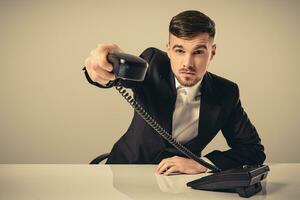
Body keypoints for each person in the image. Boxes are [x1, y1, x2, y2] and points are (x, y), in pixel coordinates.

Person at [83, 10, 266, 176]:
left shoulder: (226, 92)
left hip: (179, 182)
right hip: (126, 170)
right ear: (169, 50)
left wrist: (202, 164)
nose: (187, 63)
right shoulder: (152, 63)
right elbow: (114, 78)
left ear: (212, 53)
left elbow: (252, 150)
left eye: (199, 52)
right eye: (179, 50)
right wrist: (101, 67)